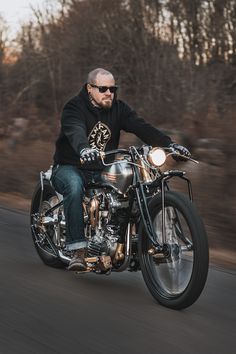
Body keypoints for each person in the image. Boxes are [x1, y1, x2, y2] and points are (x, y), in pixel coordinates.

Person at [51, 68, 190, 271]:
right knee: (73, 185)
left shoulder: (118, 109)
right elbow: (75, 130)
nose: (109, 93)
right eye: (103, 88)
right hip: (70, 166)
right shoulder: (74, 107)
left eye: (112, 89)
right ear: (90, 89)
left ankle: (137, 244)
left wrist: (170, 145)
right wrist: (84, 149)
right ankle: (78, 250)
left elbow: (142, 127)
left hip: (101, 168)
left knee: (134, 187)